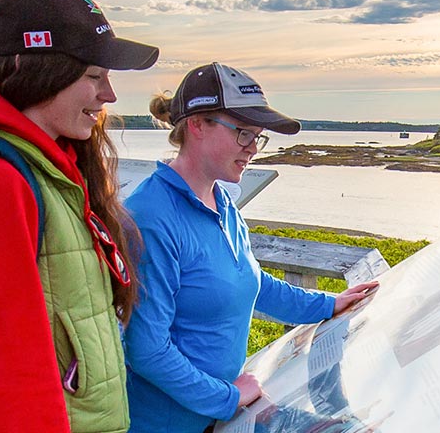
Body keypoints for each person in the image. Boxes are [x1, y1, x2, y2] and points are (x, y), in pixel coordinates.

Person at [0, 0, 157, 432]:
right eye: (94, 77)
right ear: (38, 71)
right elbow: (5, 358)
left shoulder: (46, 166)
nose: (110, 96)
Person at [123, 63, 379, 432]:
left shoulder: (221, 201)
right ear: (197, 124)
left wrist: (327, 303)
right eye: (243, 133)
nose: (252, 149)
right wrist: (229, 397)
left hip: (223, 415)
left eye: (258, 137)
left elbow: (251, 281)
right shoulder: (150, 217)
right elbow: (147, 350)